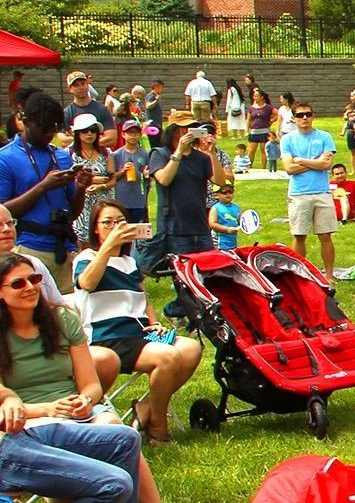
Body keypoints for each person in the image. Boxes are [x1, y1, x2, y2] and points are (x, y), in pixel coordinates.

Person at [0, 253, 187, 503]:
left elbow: (90, 383)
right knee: (114, 483)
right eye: (18, 283)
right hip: (20, 433)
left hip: (69, 415)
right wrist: (41, 407)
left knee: (126, 438)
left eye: (35, 280)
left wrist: (85, 400)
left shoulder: (59, 320)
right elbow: (6, 402)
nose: (30, 288)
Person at [72, 201, 204, 445]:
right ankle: (158, 429)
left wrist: (154, 323)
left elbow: (143, 299)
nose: (114, 227)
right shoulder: (87, 257)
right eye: (107, 222)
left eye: (120, 222)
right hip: (109, 337)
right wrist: (107, 248)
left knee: (191, 348)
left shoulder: (130, 263)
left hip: (140, 335)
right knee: (167, 357)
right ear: (95, 229)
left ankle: (146, 408)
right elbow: (87, 283)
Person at [0, 93, 86, 291]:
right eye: (44, 128)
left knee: (68, 309)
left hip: (65, 247)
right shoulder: (6, 158)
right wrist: (42, 187)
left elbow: (73, 212)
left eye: (55, 128)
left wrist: (81, 188)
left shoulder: (61, 157)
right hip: (28, 246)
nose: (50, 134)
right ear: (25, 122)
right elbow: (3, 212)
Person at [275, 98, 339, 276]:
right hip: (299, 193)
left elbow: (327, 165)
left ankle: (329, 275)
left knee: (325, 235)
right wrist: (316, 162)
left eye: (308, 115)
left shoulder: (325, 136)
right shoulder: (287, 139)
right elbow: (289, 168)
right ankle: (298, 275)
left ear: (313, 116)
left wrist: (301, 160)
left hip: (322, 192)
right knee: (299, 235)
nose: (304, 118)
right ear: (294, 118)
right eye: (300, 115)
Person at [150, 117, 229, 259]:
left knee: (208, 271)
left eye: (192, 128)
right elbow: (164, 179)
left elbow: (220, 182)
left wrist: (212, 154)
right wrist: (179, 151)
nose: (188, 132)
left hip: (201, 226)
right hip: (175, 228)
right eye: (184, 128)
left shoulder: (202, 158)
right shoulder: (160, 154)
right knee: (181, 274)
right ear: (173, 131)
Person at [64, 115, 115, 251]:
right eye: (85, 131)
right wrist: (92, 179)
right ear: (77, 133)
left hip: (103, 201)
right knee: (83, 242)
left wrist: (101, 185)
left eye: (93, 131)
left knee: (105, 239)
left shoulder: (106, 152)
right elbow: (66, 178)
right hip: (81, 203)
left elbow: (112, 178)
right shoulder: (68, 153)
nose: (89, 134)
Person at [208, 182, 243, 252]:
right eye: (224, 192)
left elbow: (241, 221)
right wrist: (226, 229)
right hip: (220, 244)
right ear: (216, 195)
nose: (228, 194)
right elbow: (212, 224)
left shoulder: (237, 208)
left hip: (232, 242)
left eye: (230, 191)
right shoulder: (216, 208)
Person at [247, 88, 276, 169]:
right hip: (254, 131)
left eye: (257, 96)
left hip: (264, 132)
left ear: (262, 97)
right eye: (254, 96)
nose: (255, 98)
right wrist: (247, 130)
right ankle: (249, 167)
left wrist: (271, 121)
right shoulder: (251, 108)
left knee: (263, 151)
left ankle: (263, 168)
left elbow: (277, 114)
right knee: (251, 151)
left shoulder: (268, 107)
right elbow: (248, 119)